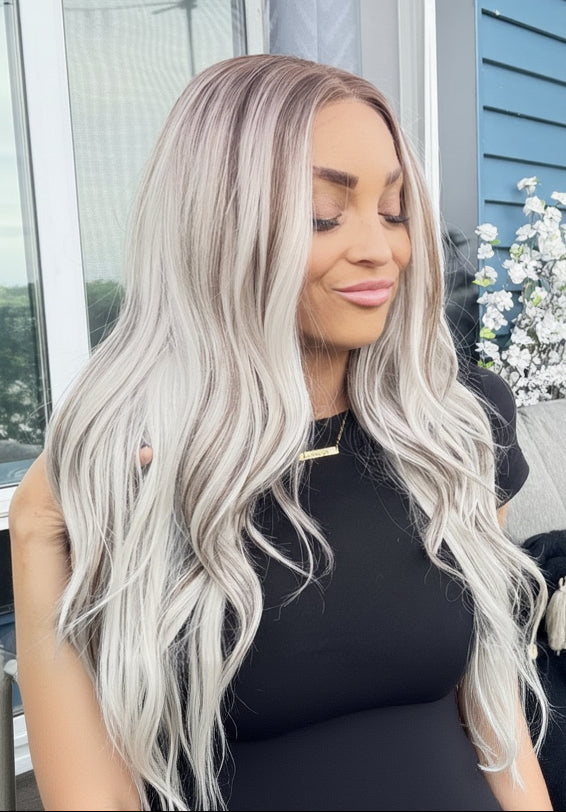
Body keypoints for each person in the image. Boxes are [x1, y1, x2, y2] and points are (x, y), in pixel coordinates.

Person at [8, 54, 553, 811]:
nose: (380, 248)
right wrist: (35, 533)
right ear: (217, 231)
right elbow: (95, 796)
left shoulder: (456, 426)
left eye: (394, 210)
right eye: (323, 215)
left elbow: (493, 715)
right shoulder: (135, 465)